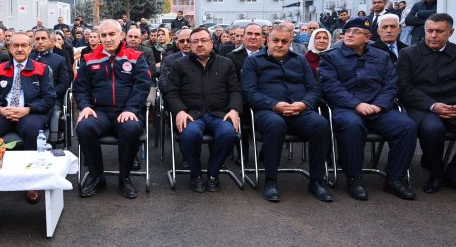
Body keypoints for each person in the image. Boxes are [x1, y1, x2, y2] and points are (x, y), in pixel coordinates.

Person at [319, 17, 416, 201]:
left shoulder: (381, 56)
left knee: (407, 126)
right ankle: (354, 179)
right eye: (347, 31)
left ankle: (395, 179)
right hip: (346, 108)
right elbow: (331, 87)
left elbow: (391, 84)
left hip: (377, 107)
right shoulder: (331, 57)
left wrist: (379, 105)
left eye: (356, 32)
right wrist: (357, 104)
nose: (349, 34)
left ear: (368, 37)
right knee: (352, 126)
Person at [241, 24, 332, 203]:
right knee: (276, 124)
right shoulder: (253, 61)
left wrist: (304, 104)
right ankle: (271, 181)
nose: (280, 45)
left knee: (321, 124)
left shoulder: (299, 60)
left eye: (284, 41)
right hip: (268, 112)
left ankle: (316, 181)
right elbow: (249, 92)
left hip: (299, 110)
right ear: (267, 40)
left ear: (291, 42)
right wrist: (275, 105)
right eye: (275, 40)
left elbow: (314, 89)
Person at [74, 19, 151, 199]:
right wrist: (84, 106)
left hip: (127, 110)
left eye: (112, 34)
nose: (107, 39)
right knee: (84, 127)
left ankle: (125, 179)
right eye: (103, 35)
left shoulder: (135, 57)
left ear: (121, 35)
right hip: (98, 111)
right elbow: (80, 87)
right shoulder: (89, 58)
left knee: (131, 128)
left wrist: (131, 108)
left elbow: (142, 85)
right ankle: (96, 177)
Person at [0, 33, 56, 204]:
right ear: (10, 48)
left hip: (30, 113)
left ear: (30, 47)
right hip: (3, 113)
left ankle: (31, 183)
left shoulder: (41, 69)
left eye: (23, 45)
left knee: (32, 131)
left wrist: (28, 109)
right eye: (15, 45)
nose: (19, 49)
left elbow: (49, 99)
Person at [163, 27, 241, 192]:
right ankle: (195, 174)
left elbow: (235, 90)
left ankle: (213, 174)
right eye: (195, 41)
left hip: (219, 114)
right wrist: (179, 111)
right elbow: (171, 92)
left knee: (229, 133)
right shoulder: (179, 65)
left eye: (203, 40)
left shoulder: (226, 63)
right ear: (190, 45)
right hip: (191, 114)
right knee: (190, 134)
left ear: (212, 43)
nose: (199, 44)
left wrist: (234, 109)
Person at [397, 13, 456, 193]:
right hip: (423, 107)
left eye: (439, 31)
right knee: (432, 129)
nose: (433, 35)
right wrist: (433, 106)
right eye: (430, 31)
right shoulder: (408, 54)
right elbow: (404, 88)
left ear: (450, 32)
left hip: (453, 105)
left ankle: (453, 171)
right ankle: (436, 172)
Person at [31, 29, 71, 103]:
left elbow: (63, 84)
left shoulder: (60, 60)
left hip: (52, 99)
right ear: (33, 42)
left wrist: (50, 94)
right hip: (30, 99)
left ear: (50, 41)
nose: (40, 42)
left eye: (43, 38)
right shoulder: (27, 59)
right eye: (37, 39)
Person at [125, 27, 157, 108]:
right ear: (126, 38)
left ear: (140, 40)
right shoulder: (120, 51)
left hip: (144, 82)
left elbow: (152, 71)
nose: (133, 39)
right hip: (124, 83)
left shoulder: (147, 51)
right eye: (130, 36)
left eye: (136, 37)